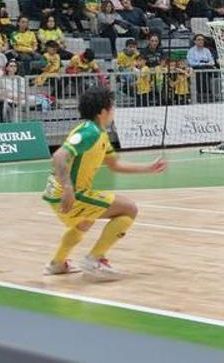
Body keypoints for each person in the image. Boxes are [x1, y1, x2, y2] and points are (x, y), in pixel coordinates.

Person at [42, 87, 167, 279]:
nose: (113, 111)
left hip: (58, 193)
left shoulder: (99, 134)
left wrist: (148, 168)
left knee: (85, 221)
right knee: (129, 209)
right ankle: (95, 259)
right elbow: (59, 156)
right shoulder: (89, 132)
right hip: (67, 192)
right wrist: (68, 188)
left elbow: (115, 165)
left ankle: (58, 263)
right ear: (102, 112)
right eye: (112, 107)